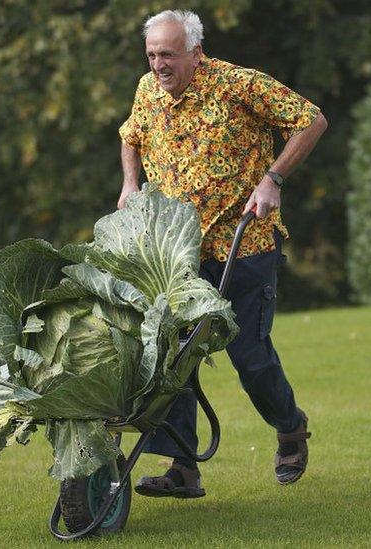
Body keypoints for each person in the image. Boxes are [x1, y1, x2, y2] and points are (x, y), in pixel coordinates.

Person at [117, 9, 328, 497]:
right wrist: (130, 183)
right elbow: (131, 134)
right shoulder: (148, 90)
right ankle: (183, 469)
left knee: (250, 357)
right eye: (151, 55)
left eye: (167, 54)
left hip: (244, 246)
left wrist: (273, 179)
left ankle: (290, 427)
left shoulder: (238, 85)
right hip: (177, 253)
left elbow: (311, 120)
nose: (158, 64)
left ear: (195, 52)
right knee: (173, 357)